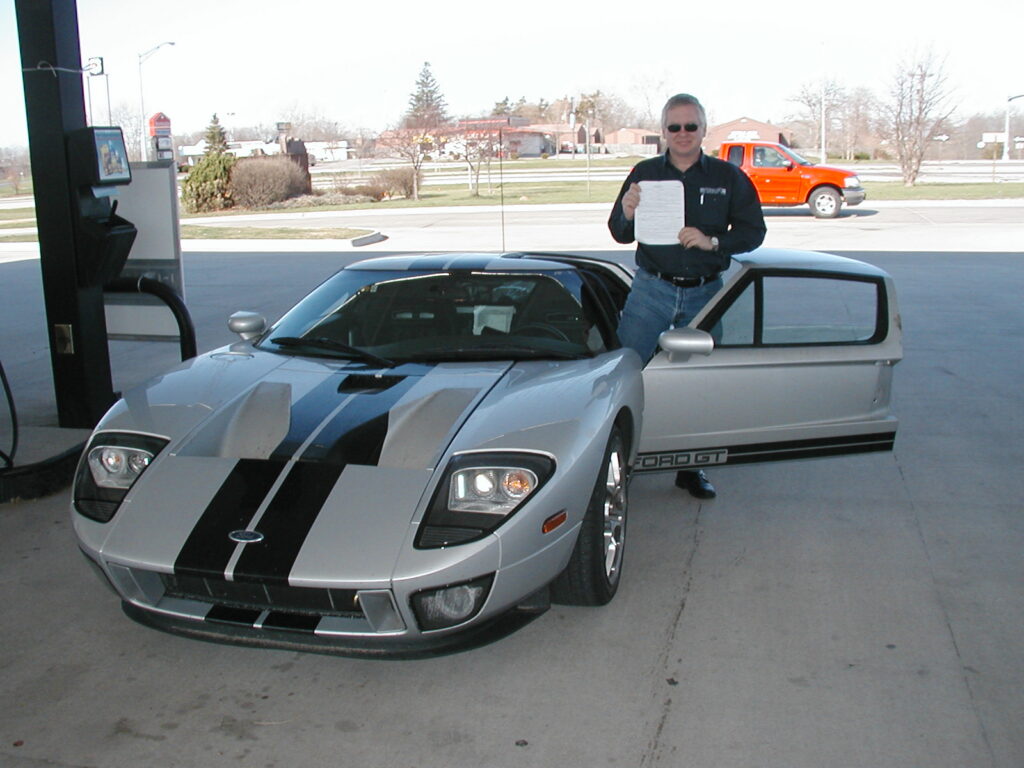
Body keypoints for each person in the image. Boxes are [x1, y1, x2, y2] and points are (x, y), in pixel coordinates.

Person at [608, 93, 766, 499]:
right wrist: (628, 211)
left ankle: (691, 467)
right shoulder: (644, 173)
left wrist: (714, 241)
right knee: (625, 376)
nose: (682, 133)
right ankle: (619, 463)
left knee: (701, 385)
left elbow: (754, 232)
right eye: (674, 126)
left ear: (703, 130)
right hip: (651, 291)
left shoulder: (728, 177)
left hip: (705, 296)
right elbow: (619, 232)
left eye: (690, 126)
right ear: (663, 131)